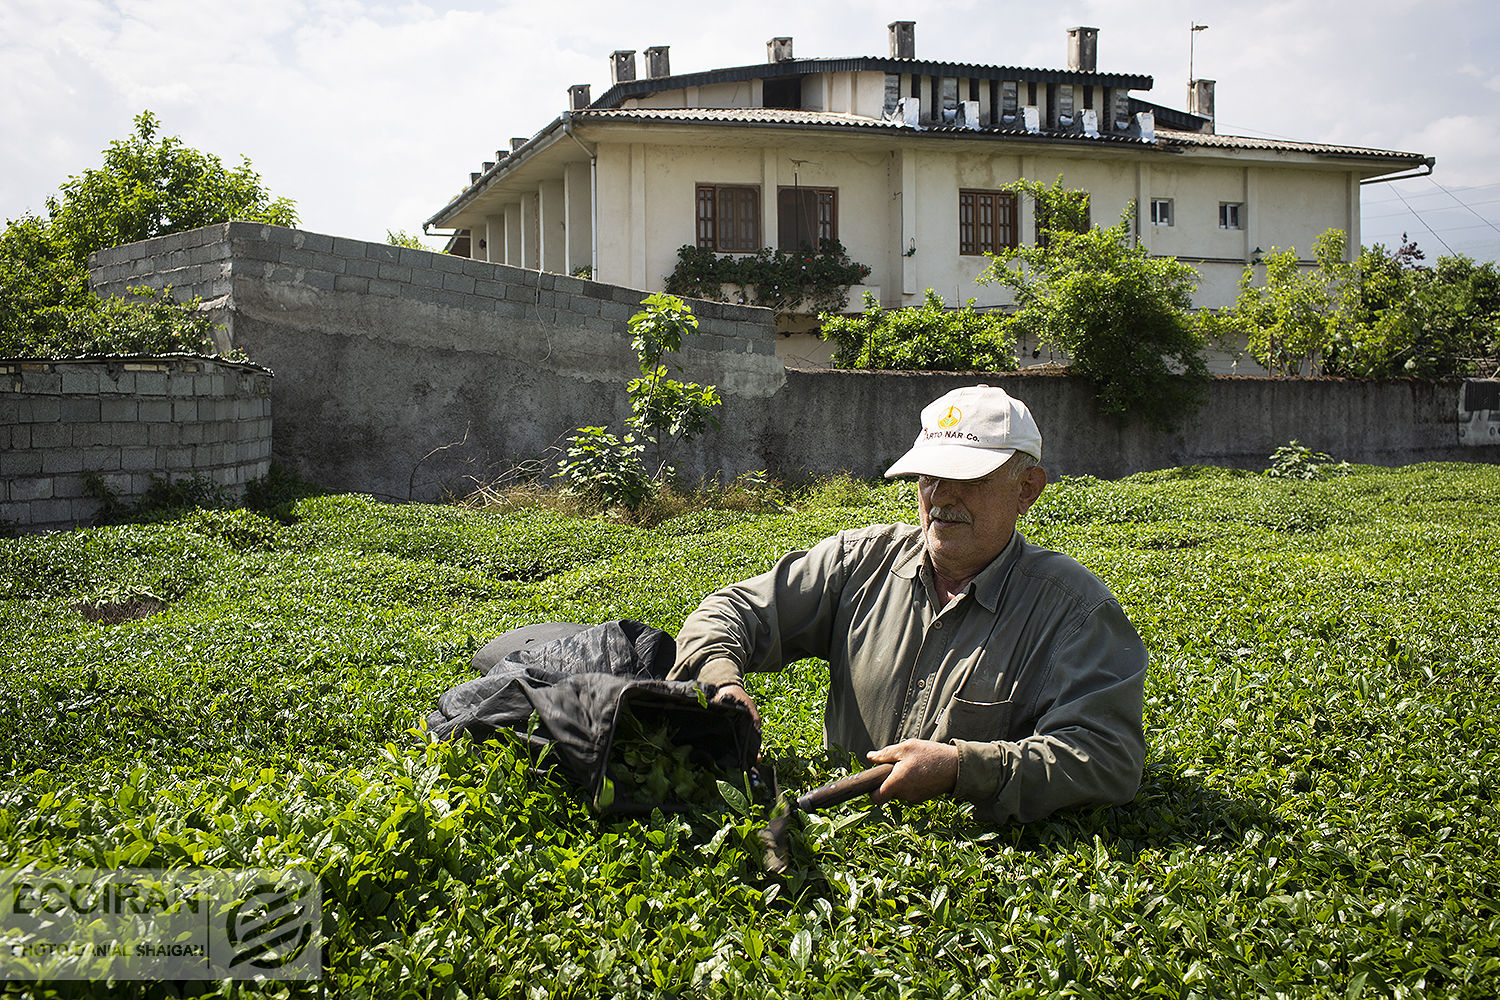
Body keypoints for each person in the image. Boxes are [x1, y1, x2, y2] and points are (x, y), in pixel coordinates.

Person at [669, 385, 1147, 824]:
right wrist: (718, 679)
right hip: (835, 837)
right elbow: (730, 611)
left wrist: (962, 769)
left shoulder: (1075, 612)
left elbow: (1107, 758)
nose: (940, 496)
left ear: (1027, 488)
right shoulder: (858, 562)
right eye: (928, 476)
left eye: (967, 478)